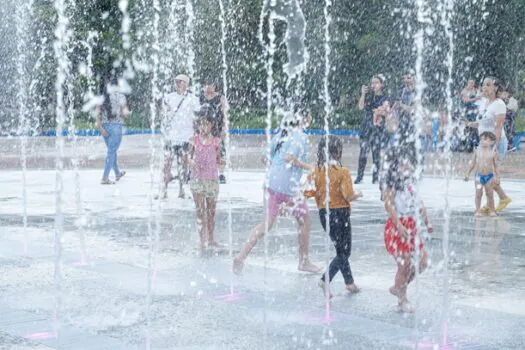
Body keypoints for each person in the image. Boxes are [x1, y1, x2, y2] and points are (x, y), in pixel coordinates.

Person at [233, 108, 321, 275]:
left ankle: (241, 257)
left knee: (266, 223)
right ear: (303, 118)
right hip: (288, 187)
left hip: (270, 184)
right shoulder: (300, 136)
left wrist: (276, 167)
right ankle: (304, 261)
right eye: (308, 114)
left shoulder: (281, 133)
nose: (310, 117)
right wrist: (309, 167)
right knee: (305, 220)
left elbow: (264, 157)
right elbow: (289, 158)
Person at [304, 136, 362, 297]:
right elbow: (348, 195)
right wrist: (359, 194)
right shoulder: (342, 172)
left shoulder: (315, 172)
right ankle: (325, 280)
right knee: (345, 252)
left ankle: (349, 283)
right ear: (337, 152)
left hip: (325, 214)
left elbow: (308, 192)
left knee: (339, 250)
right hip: (341, 214)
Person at [382, 145, 433, 313]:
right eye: (404, 164)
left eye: (410, 164)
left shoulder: (411, 181)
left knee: (423, 262)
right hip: (398, 226)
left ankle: (399, 288)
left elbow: (419, 203)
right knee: (404, 265)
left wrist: (427, 220)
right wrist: (399, 225)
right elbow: (388, 205)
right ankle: (402, 299)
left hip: (412, 226)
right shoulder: (391, 182)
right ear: (395, 165)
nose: (408, 167)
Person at [467, 77, 512, 213]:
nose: (484, 87)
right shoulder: (485, 102)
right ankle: (501, 199)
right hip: (484, 143)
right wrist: (472, 124)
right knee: (484, 172)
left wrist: (494, 147)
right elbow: (484, 122)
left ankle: (499, 200)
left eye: (488, 85)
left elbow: (498, 127)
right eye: (483, 85)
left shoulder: (499, 104)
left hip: (495, 143)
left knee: (488, 172)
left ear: (495, 88)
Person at [160, 74, 200, 199]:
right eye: (176, 81)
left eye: (181, 81)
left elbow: (197, 119)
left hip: (186, 136)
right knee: (167, 163)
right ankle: (164, 191)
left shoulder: (193, 99)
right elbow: (164, 116)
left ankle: (182, 190)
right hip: (171, 136)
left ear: (187, 84)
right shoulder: (168, 97)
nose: (178, 84)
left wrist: (195, 136)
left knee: (183, 165)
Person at [189, 108, 224, 250]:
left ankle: (211, 238)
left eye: (206, 124)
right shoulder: (194, 140)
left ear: (211, 125)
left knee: (211, 212)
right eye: (201, 124)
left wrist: (222, 164)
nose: (203, 127)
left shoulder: (216, 141)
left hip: (212, 181)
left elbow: (219, 159)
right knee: (200, 211)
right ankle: (201, 240)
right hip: (197, 181)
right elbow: (187, 158)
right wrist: (191, 163)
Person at [355, 74, 390, 184]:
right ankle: (359, 177)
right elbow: (360, 107)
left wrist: (380, 111)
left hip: (377, 127)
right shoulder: (368, 96)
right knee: (363, 153)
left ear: (381, 85)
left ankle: (375, 178)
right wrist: (363, 94)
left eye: (376, 82)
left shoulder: (385, 98)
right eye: (372, 83)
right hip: (366, 126)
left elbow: (386, 111)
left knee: (376, 154)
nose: (373, 85)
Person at [95, 76, 130, 185]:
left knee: (111, 151)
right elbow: (124, 113)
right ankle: (105, 178)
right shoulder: (121, 96)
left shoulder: (103, 96)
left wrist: (100, 127)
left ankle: (117, 173)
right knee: (111, 152)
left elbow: (97, 112)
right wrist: (127, 113)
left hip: (105, 127)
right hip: (116, 128)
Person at [199, 78, 229, 184]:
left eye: (210, 85)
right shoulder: (201, 97)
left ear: (214, 86)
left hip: (217, 127)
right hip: (204, 129)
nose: (207, 87)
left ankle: (221, 173)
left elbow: (225, 113)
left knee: (220, 149)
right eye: (206, 85)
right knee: (203, 149)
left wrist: (225, 127)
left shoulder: (220, 98)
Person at [464, 131, 499, 217]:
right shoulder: (477, 151)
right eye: (482, 139)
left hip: (489, 177)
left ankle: (492, 210)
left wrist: (497, 177)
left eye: (485, 140)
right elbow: (472, 164)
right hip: (478, 177)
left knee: (490, 194)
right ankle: (477, 210)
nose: (482, 141)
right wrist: (467, 173)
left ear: (492, 142)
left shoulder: (493, 153)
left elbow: (496, 166)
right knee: (478, 193)